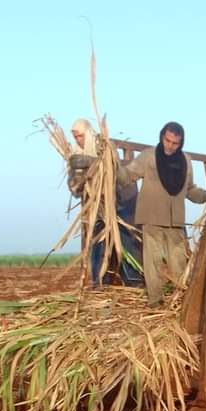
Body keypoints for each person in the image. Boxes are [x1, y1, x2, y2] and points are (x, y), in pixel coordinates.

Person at [116, 121, 206, 307]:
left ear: (181, 143)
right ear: (162, 137)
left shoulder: (186, 161)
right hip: (152, 219)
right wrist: (113, 166)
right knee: (153, 263)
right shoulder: (148, 156)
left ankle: (181, 301)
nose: (170, 146)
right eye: (167, 140)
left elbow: (190, 190)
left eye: (175, 143)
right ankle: (155, 302)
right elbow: (127, 176)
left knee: (178, 263)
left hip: (175, 221)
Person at [67, 118, 142, 287]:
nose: (78, 140)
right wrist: (78, 176)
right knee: (97, 243)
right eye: (75, 137)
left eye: (80, 136)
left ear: (87, 132)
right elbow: (75, 189)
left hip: (118, 201)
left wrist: (93, 164)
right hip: (96, 208)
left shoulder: (103, 144)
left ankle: (133, 280)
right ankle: (99, 281)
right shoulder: (74, 155)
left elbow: (115, 169)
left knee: (126, 239)